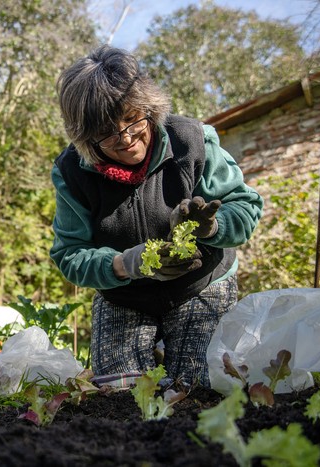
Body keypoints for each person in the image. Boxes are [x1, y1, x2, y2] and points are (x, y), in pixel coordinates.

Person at [50, 45, 263, 387]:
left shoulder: (191, 142)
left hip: (200, 285)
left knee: (198, 386)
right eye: (106, 132)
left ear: (149, 107)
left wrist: (212, 227)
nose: (126, 138)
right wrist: (123, 264)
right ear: (85, 137)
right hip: (124, 295)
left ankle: (178, 355)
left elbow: (245, 206)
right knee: (119, 389)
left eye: (133, 118)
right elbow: (70, 253)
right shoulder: (72, 173)